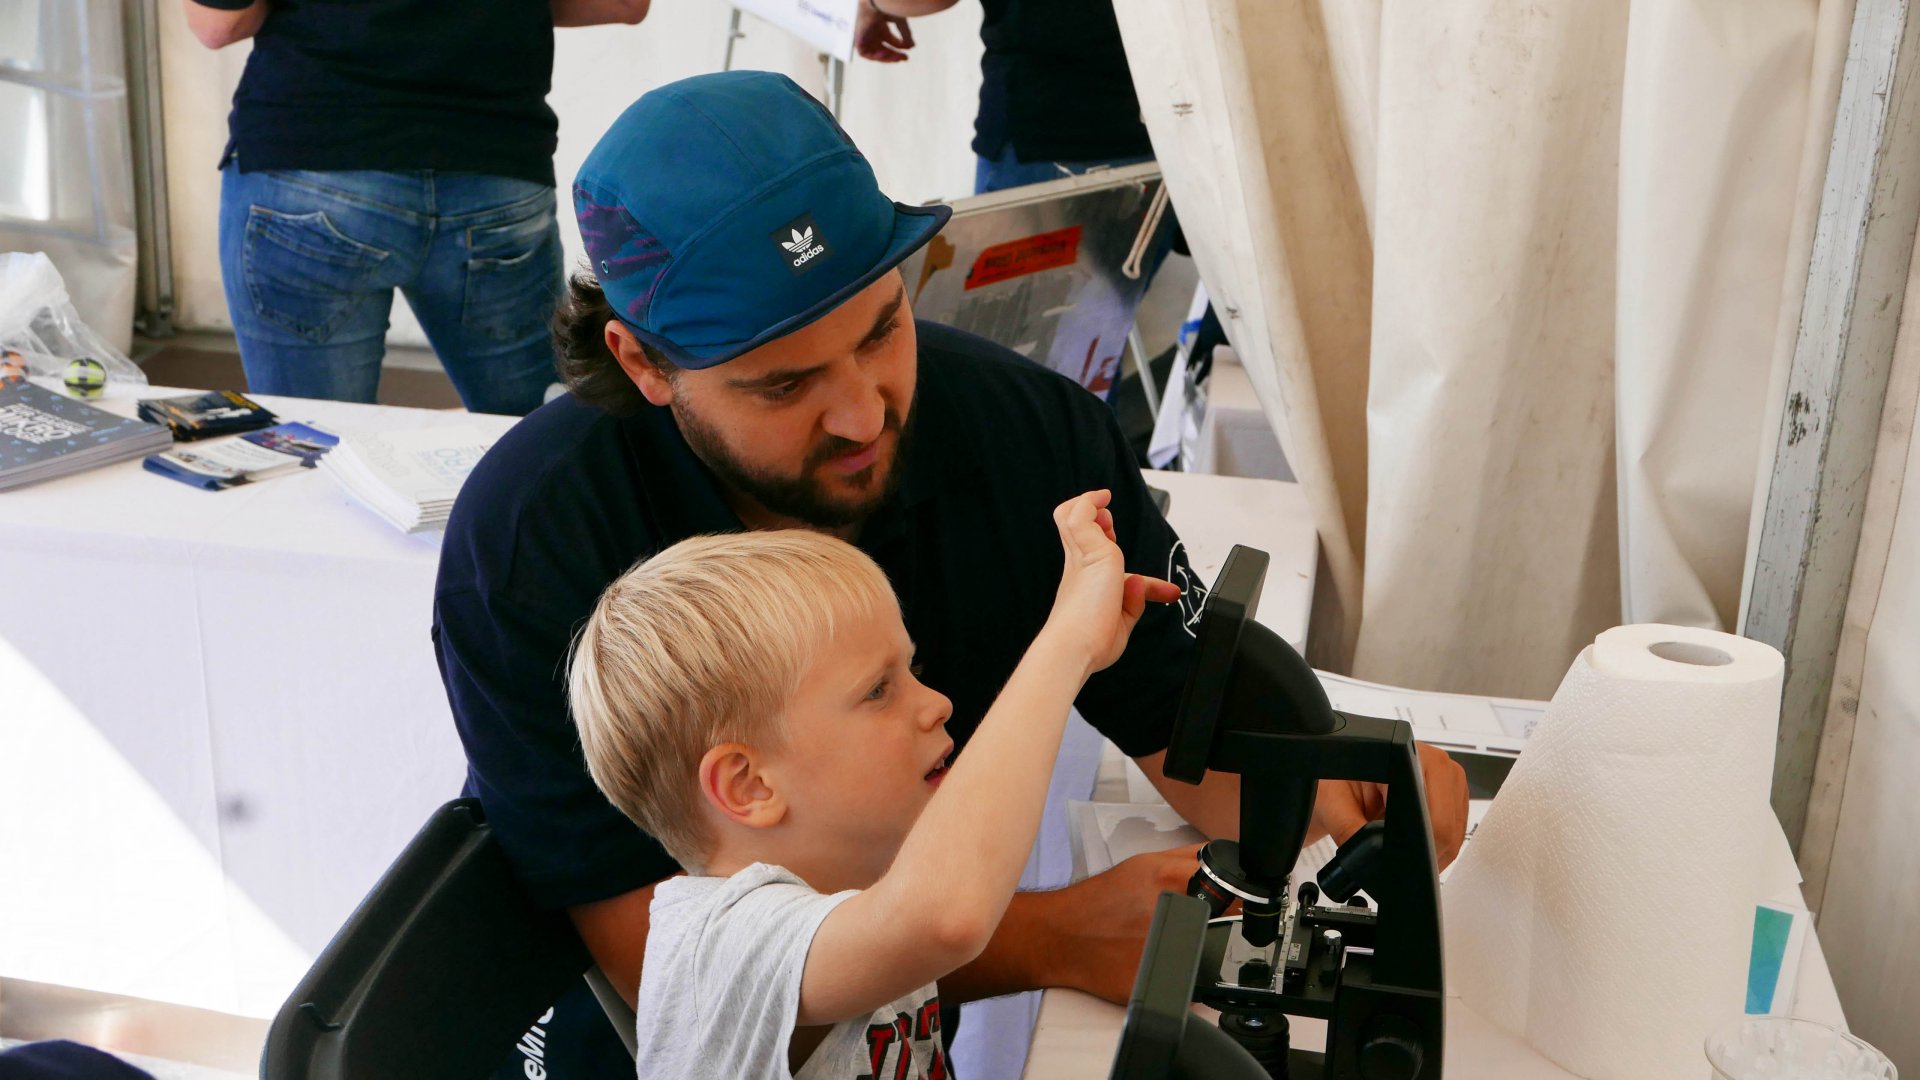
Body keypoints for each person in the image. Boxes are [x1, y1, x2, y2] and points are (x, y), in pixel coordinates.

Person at [433, 69, 1468, 1072]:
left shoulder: (1024, 434)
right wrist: (1048, 937)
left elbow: (1185, 725)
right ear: (642, 362)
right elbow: (649, 960)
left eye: (882, 329)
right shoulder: (531, 548)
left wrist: (1336, 795)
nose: (862, 414)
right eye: (784, 383)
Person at [569, 494, 1180, 1076]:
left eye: (911, 671)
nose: (938, 704)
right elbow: (947, 918)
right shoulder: (721, 948)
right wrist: (1066, 643)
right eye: (878, 691)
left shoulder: (863, 873)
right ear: (749, 784)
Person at [182, 0, 649, 414]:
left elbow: (218, 23)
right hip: (493, 167)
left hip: (313, 161)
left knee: (318, 445)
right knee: (533, 437)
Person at [853, 0, 1154, 194]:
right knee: (1112, 291)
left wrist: (870, 5)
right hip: (1163, 120)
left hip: (1050, 131)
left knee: (1031, 294)